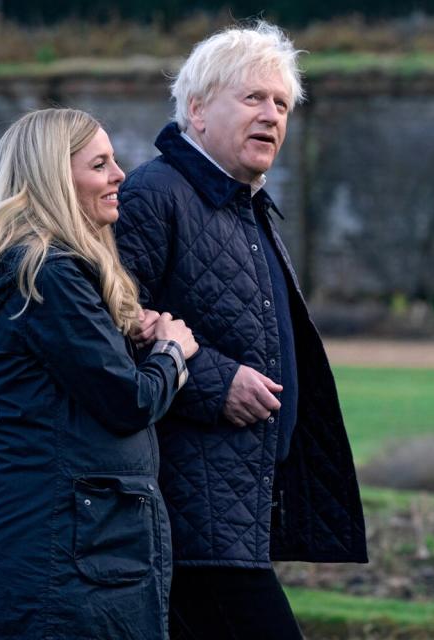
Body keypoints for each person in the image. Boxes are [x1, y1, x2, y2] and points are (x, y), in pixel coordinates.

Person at [115, 22, 367, 639]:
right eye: (253, 98)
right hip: (187, 509)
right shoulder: (155, 194)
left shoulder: (245, 204)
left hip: (235, 505)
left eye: (281, 104)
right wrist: (214, 380)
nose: (272, 116)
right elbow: (113, 327)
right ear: (197, 110)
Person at [0, 108, 197, 639]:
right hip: (58, 548)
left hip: (71, 541)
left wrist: (129, 335)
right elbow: (127, 401)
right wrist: (172, 353)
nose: (120, 175)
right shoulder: (48, 271)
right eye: (100, 164)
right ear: (56, 179)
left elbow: (77, 380)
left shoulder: (50, 270)